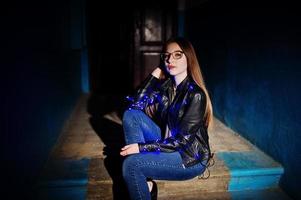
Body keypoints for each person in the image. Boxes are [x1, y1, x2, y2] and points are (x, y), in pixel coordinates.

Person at [120, 37, 214, 200]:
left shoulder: (196, 94)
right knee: (131, 115)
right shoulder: (168, 87)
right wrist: (157, 71)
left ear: (189, 58)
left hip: (188, 157)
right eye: (166, 55)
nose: (170, 59)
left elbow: (182, 141)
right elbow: (135, 103)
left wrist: (141, 148)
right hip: (167, 141)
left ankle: (140, 172)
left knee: (131, 165)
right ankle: (147, 183)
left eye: (177, 55)